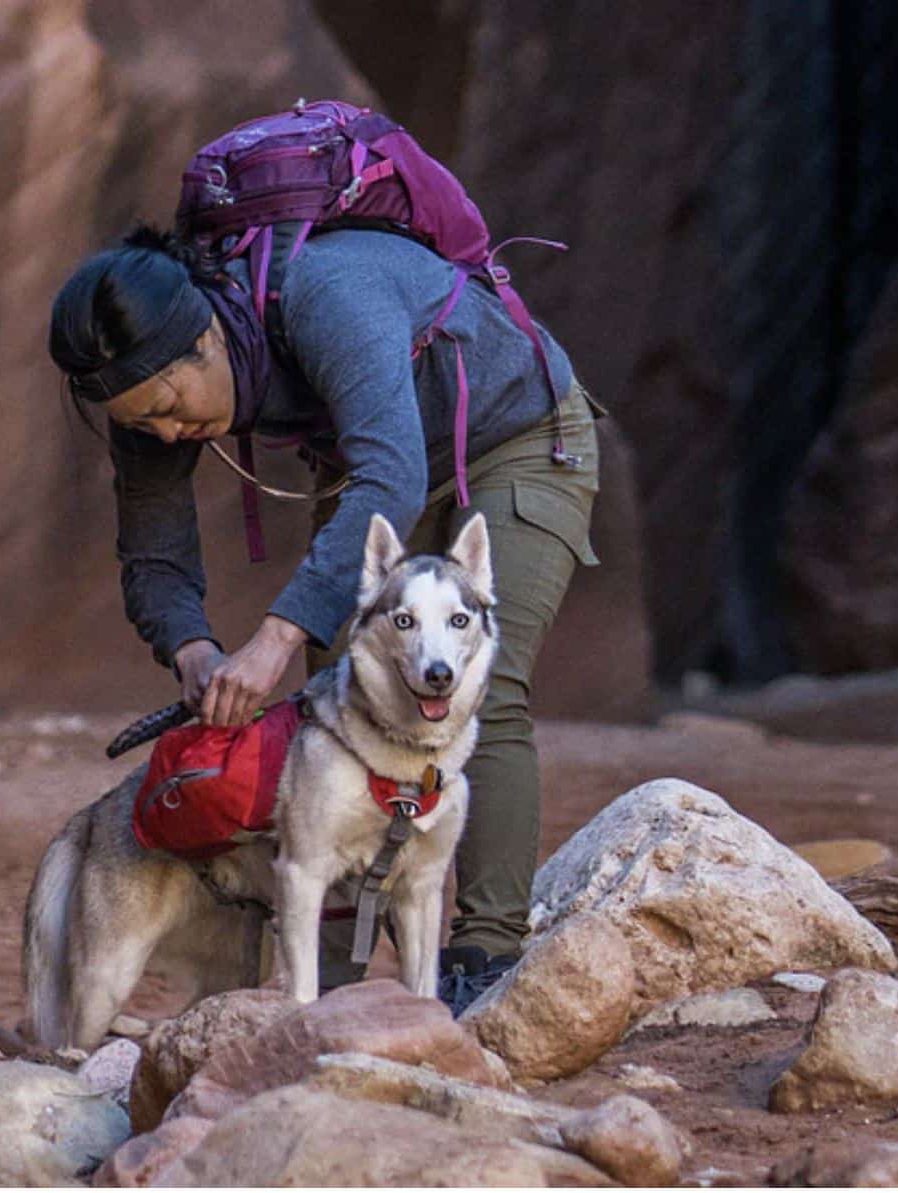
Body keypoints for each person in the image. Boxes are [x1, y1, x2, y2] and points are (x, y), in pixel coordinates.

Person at [48, 222, 601, 1012]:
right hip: (374, 466)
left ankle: (481, 958)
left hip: (514, 435)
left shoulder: (325, 295)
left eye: (170, 406)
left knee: (481, 683)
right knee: (339, 693)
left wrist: (274, 636)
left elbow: (394, 473)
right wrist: (194, 649)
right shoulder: (143, 391)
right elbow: (153, 554)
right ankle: (325, 986)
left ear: (205, 337)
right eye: (144, 426)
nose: (168, 432)